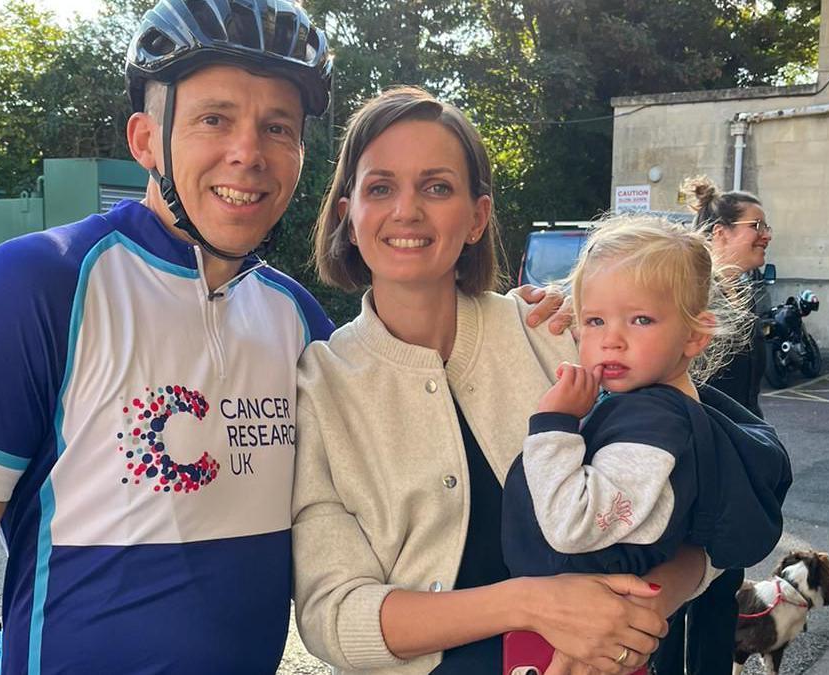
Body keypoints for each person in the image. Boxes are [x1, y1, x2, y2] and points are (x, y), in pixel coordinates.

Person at [0, 1, 339, 671]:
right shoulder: (39, 285)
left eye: (278, 127)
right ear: (145, 140)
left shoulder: (301, 322)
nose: (249, 153)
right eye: (214, 119)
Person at [291, 86, 716, 675]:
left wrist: (640, 609)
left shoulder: (560, 335)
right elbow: (333, 617)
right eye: (380, 187)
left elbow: (711, 514)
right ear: (349, 214)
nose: (407, 210)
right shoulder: (320, 386)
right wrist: (533, 605)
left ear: (477, 217)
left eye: (437, 187)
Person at [501, 217, 792, 672]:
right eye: (594, 320)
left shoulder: (650, 424)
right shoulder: (663, 406)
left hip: (581, 637)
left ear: (695, 335)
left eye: (641, 319)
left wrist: (554, 424)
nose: (611, 340)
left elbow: (573, 525)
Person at [652, 177, 776, 675]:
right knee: (674, 605)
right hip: (693, 477)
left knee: (720, 595)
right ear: (720, 233)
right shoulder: (690, 299)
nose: (766, 234)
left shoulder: (741, 293)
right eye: (756, 226)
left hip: (733, 473)